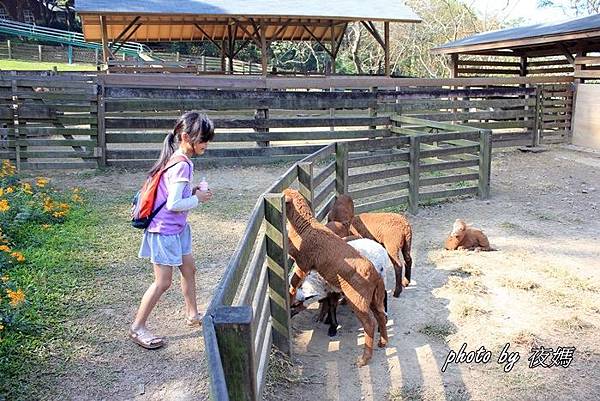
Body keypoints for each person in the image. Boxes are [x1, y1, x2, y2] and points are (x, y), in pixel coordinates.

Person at [129, 111, 215, 349]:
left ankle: (192, 314)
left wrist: (193, 190)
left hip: (178, 229)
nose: (206, 144)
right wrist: (198, 198)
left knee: (189, 269)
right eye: (203, 139)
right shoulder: (181, 165)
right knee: (163, 282)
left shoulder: (180, 159)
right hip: (164, 231)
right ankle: (137, 328)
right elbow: (174, 204)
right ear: (186, 137)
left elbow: (175, 194)